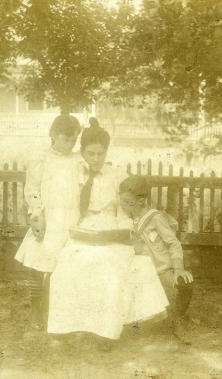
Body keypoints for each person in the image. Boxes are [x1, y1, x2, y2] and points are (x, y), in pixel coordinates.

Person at [47, 119, 168, 349]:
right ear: (81, 152)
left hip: (111, 229)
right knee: (66, 265)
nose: (95, 159)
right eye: (90, 153)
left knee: (109, 269)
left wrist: (125, 230)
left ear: (106, 153)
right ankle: (66, 328)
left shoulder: (117, 175)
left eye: (100, 154)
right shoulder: (72, 171)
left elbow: (125, 210)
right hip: (80, 228)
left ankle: (106, 332)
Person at [14, 113, 82, 328]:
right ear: (53, 134)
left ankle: (58, 308)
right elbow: (33, 188)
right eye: (65, 139)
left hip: (71, 217)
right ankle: (36, 307)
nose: (69, 144)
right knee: (39, 261)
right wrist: (37, 212)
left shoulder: (77, 160)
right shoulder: (41, 157)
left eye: (73, 140)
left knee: (63, 264)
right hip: (49, 217)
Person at [119, 175, 194, 335]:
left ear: (141, 201)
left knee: (184, 284)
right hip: (141, 270)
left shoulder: (155, 218)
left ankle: (178, 317)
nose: (124, 206)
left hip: (161, 270)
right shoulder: (129, 218)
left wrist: (178, 269)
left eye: (128, 202)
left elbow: (173, 243)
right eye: (122, 201)